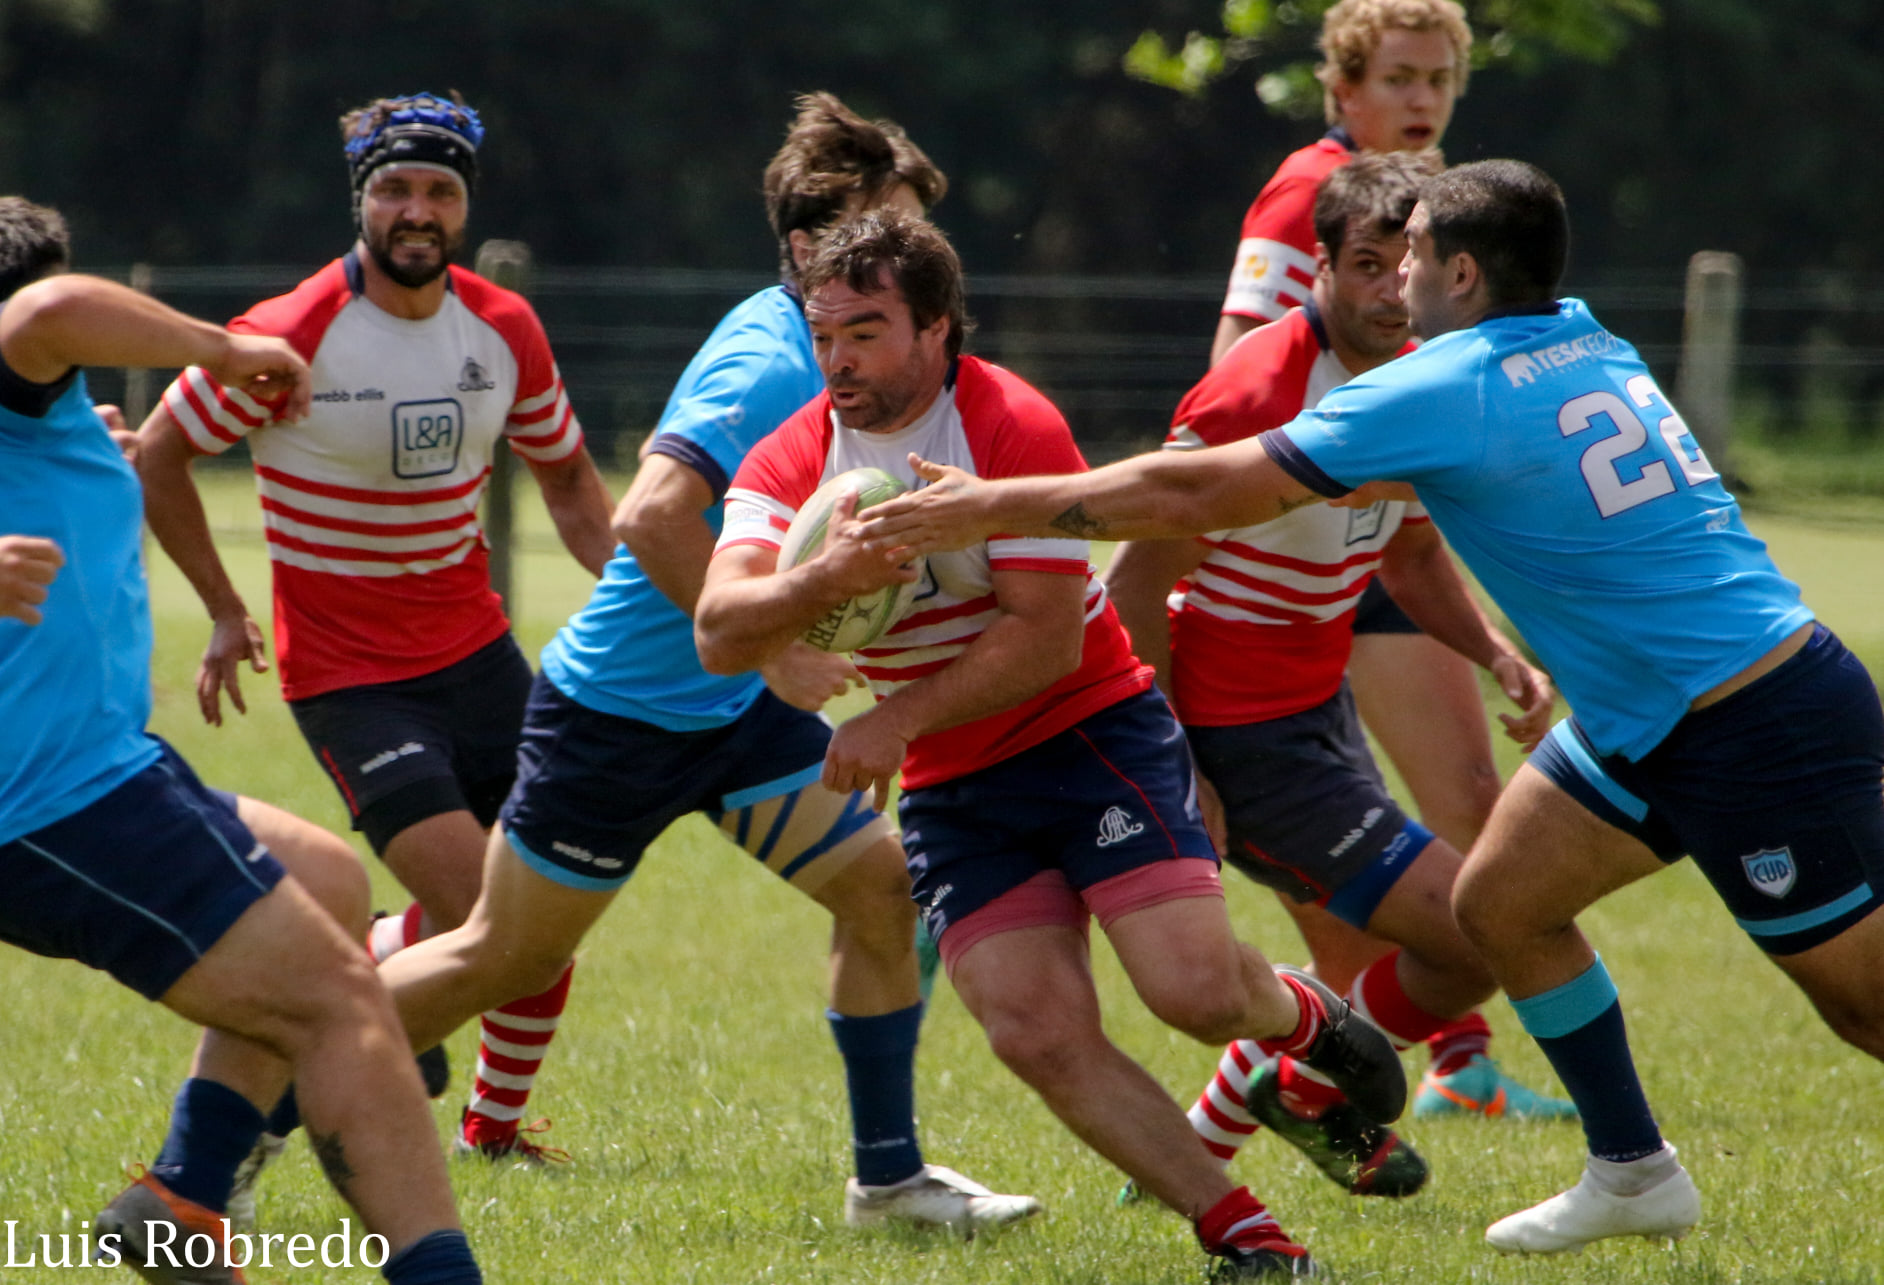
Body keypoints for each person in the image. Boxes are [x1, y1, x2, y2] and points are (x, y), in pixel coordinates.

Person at [859, 158, 1884, 1255]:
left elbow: (1193, 493)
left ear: (1462, 270)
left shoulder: (1442, 385)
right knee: (1500, 907)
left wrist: (986, 506)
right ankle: (1633, 1171)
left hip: (1751, 718)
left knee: (1861, 1006)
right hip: (1646, 715)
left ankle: (1300, 1089)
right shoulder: (1584, 334)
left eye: (1413, 254)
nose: (1398, 276)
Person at [695, 209, 1408, 1281]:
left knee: (1193, 992)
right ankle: (1250, 1241)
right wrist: (825, 581)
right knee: (1032, 1030)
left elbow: (1044, 636)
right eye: (825, 331)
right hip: (957, 785)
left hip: (1087, 735)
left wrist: (890, 718)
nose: (838, 357)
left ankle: (1303, 1015)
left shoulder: (1006, 422)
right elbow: (719, 628)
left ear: (936, 327)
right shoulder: (792, 454)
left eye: (868, 330)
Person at [372, 93, 1035, 1232]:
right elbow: (648, 517)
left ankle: (888, 1182)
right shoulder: (773, 363)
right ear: (804, 251)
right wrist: (774, 651)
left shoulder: (849, 353)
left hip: (731, 719)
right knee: (499, 958)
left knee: (882, 897)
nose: (919, 263)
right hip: (621, 717)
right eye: (888, 234)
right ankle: (249, 1091)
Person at [0, 196, 483, 1285]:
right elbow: (50, 306)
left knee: (323, 882)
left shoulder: (51, 417)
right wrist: (226, 348)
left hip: (102, 770)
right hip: (51, 802)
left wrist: (92, 456)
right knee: (341, 1001)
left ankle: (182, 1194)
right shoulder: (26, 355)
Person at [135, 92, 616, 1164]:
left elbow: (577, 488)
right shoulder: (289, 332)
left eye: (438, 190)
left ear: (463, 208)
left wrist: (677, 597)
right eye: (394, 188)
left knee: (551, 904)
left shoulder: (504, 326)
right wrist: (222, 606)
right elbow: (160, 456)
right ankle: (324, 1027)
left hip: (481, 657)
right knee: (480, 905)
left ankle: (488, 1123)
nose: (416, 209)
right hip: (351, 680)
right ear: (361, 201)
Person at [1107, 153, 1567, 1204]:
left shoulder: (1410, 382)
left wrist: (1494, 650)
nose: (1382, 291)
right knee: (1474, 928)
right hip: (1241, 739)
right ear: (1318, 265)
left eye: (1399, 265)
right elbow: (1134, 585)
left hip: (1319, 715)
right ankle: (1281, 1094)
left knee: (1407, 961)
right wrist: (1180, 766)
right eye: (1362, 263)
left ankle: (1238, 1113)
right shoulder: (1255, 395)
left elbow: (1406, 553)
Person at [1210, 0, 1545, 1124]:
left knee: (1449, 808)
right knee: (1376, 833)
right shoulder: (1307, 187)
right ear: (1342, 93)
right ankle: (1382, 1059)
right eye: (1398, 78)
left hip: (1379, 536)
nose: (1421, 101)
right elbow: (1238, 374)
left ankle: (1427, 1055)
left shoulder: (1447, 200)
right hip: (1307, 537)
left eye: (1439, 79)